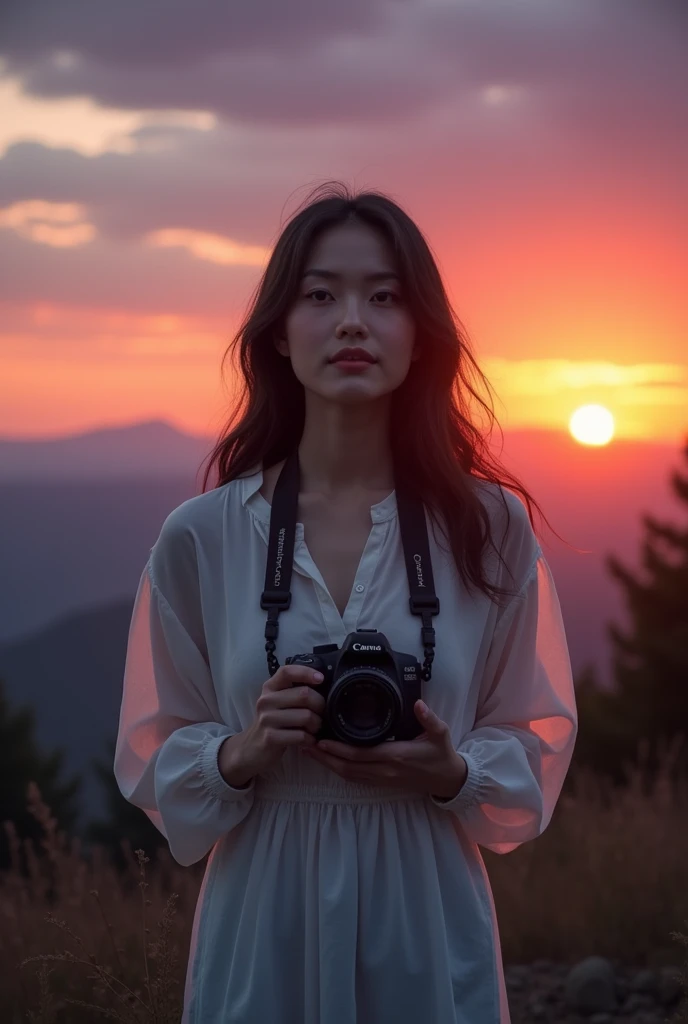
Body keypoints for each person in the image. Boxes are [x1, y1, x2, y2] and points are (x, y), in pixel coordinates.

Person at [114, 182, 578, 1024]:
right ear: (280, 336)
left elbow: (538, 733)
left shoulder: (489, 529)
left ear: (420, 335)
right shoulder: (202, 537)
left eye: (385, 296)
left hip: (426, 909)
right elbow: (151, 752)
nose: (353, 321)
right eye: (321, 295)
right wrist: (241, 751)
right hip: (263, 912)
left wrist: (455, 772)